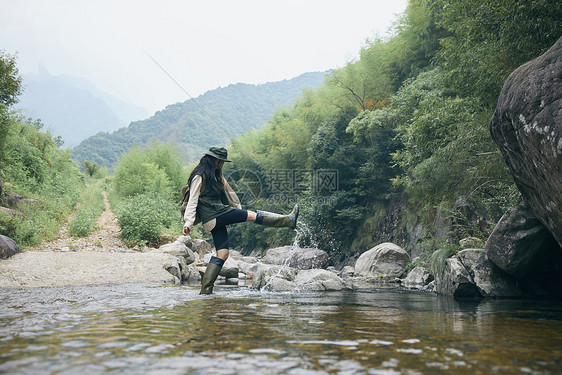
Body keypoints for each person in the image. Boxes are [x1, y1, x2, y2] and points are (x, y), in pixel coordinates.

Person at [183, 146, 299, 294]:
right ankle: (288, 221)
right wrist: (188, 222)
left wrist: (238, 208)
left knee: (223, 254)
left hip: (217, 216)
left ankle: (205, 292)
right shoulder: (199, 175)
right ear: (215, 159)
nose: (222, 164)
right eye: (221, 161)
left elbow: (229, 191)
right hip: (214, 215)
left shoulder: (216, 174)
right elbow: (192, 200)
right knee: (251, 216)